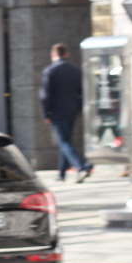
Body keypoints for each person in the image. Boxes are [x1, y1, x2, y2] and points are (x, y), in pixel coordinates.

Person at [40, 43, 93, 183]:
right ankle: (61, 173)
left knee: (64, 141)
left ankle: (81, 167)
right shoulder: (75, 71)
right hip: (72, 111)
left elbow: (45, 95)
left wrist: (46, 113)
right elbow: (82, 93)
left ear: (52, 55)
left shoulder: (50, 71)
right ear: (66, 54)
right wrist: (79, 108)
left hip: (57, 112)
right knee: (66, 141)